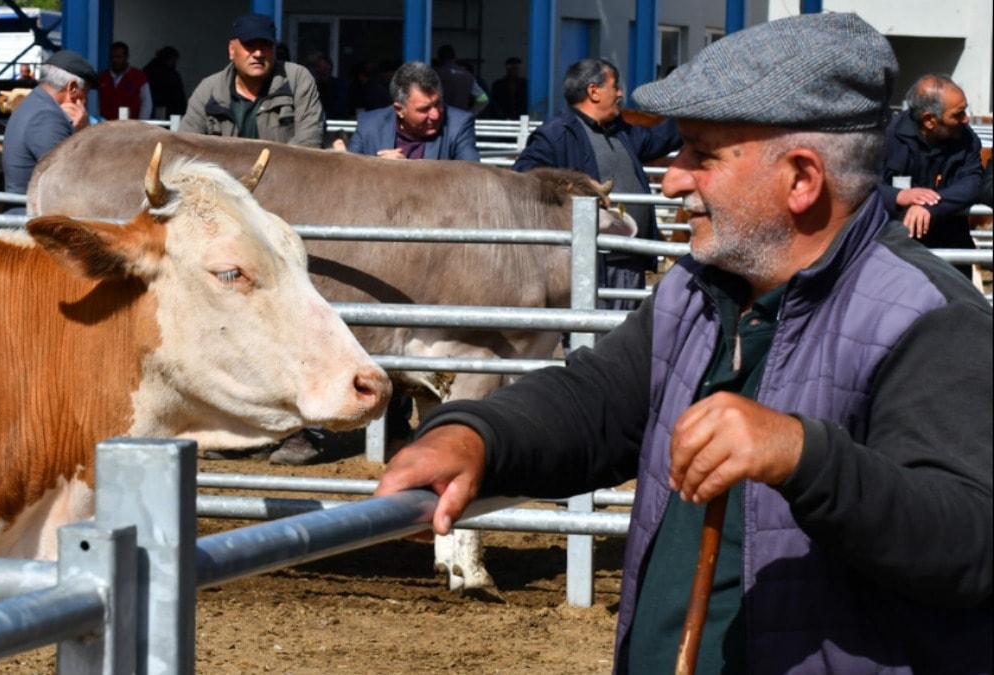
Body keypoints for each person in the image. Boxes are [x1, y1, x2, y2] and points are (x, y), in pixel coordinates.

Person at [376, 12, 991, 675]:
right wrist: (474, 436)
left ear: (802, 179)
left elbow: (970, 541)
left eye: (702, 153)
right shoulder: (702, 288)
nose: (672, 178)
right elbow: (599, 399)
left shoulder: (929, 318)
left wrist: (803, 455)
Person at [513, 58, 681, 310]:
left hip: (630, 258)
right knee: (593, 337)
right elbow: (524, 172)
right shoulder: (557, 133)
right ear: (593, 92)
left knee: (626, 339)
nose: (620, 93)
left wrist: (693, 110)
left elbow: (660, 139)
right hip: (592, 262)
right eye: (615, 86)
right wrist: (573, 182)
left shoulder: (620, 130)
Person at [878, 74, 982, 277]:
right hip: (893, 251)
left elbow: (973, 182)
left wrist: (932, 205)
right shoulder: (885, 137)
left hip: (950, 254)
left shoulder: (966, 139)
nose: (966, 119)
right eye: (958, 114)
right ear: (929, 120)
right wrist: (898, 196)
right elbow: (858, 185)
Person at [179, 13, 323, 148]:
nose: (258, 53)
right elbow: (185, 146)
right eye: (250, 45)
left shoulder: (296, 79)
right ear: (232, 50)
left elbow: (309, 142)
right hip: (222, 173)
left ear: (274, 49)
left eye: (265, 45)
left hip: (284, 173)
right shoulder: (208, 90)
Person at [2, 49, 95, 204]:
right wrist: (85, 132)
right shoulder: (47, 117)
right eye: (85, 93)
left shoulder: (35, 102)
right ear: (72, 88)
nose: (86, 102)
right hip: (32, 219)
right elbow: (72, 176)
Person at [346, 61, 479, 161]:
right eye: (424, 109)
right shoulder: (369, 125)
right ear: (399, 109)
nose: (436, 114)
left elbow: (471, 178)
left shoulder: (459, 124)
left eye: (438, 103)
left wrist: (409, 174)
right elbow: (351, 179)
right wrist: (379, 170)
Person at [98, 41, 152, 120]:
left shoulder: (138, 76)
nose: (115, 60)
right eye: (112, 57)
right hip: (107, 125)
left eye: (118, 57)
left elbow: (146, 102)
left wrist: (141, 123)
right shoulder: (102, 77)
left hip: (131, 126)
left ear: (126, 57)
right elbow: (97, 104)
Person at [433, 44, 488, 116]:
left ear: (439, 58)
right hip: (460, 119)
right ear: (454, 58)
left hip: (441, 117)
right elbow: (483, 99)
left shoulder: (436, 73)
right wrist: (470, 115)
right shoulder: (467, 75)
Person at [143, 45, 186, 120]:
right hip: (166, 110)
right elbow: (178, 96)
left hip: (154, 110)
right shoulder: (170, 74)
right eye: (174, 59)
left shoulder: (148, 70)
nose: (175, 62)